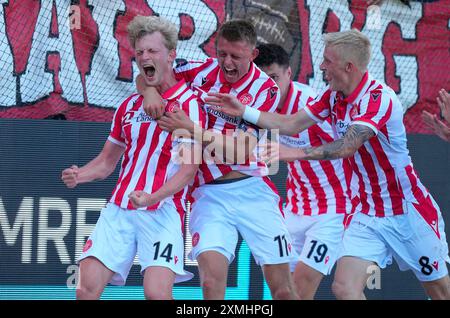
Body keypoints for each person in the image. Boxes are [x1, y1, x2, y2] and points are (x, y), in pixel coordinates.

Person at [213, 29, 450, 300]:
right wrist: (244, 111)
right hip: (366, 213)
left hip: (407, 210)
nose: (322, 67)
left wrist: (294, 153)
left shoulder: (378, 98)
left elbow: (347, 146)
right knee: (344, 289)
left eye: (327, 61)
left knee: (440, 292)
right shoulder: (333, 96)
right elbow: (291, 123)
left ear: (348, 66)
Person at [138, 19, 298, 300]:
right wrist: (150, 90)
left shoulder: (266, 90)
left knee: (283, 290)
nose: (227, 62)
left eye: (236, 56)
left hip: (252, 190)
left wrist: (191, 129)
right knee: (211, 286)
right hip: (207, 194)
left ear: (253, 54)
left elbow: (240, 151)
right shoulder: (199, 71)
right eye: (221, 53)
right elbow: (149, 73)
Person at [61, 15, 206, 300]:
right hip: (120, 207)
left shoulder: (190, 104)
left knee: (156, 294)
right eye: (139, 52)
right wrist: (81, 175)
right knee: (85, 288)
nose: (144, 57)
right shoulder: (128, 106)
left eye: (152, 51)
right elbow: (106, 162)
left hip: (163, 210)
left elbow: (188, 172)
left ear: (171, 55)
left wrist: (152, 198)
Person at [252, 43, 356, 299]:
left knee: (301, 288)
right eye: (263, 79)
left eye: (274, 78)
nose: (269, 87)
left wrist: (292, 153)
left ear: (289, 73)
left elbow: (348, 146)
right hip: (294, 210)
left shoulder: (312, 105)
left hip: (333, 209)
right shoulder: (254, 104)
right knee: (283, 293)